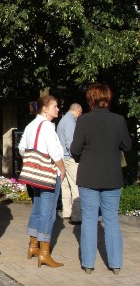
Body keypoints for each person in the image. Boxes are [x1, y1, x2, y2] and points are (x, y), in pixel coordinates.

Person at [70, 84, 132, 275]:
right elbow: (127, 146)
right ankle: (115, 264)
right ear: (108, 98)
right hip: (112, 176)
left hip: (89, 175)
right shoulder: (119, 120)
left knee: (89, 220)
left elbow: (74, 150)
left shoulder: (84, 121)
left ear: (91, 99)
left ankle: (88, 264)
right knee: (111, 219)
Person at [18, 95, 66, 268]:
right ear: (45, 109)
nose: (58, 109)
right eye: (55, 106)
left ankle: (33, 246)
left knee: (37, 209)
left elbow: (21, 147)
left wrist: (32, 161)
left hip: (33, 175)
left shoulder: (31, 125)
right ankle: (44, 253)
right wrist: (62, 168)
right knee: (49, 213)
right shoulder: (47, 126)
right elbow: (54, 151)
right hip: (48, 174)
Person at [56, 103, 82, 223]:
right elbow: (70, 142)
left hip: (62, 158)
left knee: (65, 186)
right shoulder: (71, 121)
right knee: (76, 185)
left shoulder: (62, 120)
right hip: (70, 158)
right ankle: (77, 216)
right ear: (78, 111)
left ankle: (67, 212)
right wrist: (75, 156)